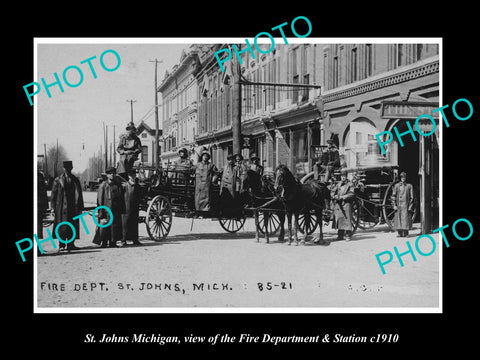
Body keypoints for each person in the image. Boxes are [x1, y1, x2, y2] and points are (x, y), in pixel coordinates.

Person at [51, 160, 84, 251]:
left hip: (73, 207)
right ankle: (61, 245)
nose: (67, 170)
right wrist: (53, 208)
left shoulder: (75, 180)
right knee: (62, 226)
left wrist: (80, 207)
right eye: (66, 168)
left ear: (71, 168)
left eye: (69, 168)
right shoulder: (58, 180)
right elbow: (53, 195)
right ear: (63, 168)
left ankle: (71, 244)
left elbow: (79, 194)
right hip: (61, 207)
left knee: (72, 225)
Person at [93, 166, 125, 248]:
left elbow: (121, 198)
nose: (112, 175)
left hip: (115, 209)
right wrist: (100, 211)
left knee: (114, 226)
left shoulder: (118, 185)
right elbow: (100, 199)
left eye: (114, 173)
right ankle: (104, 242)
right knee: (105, 226)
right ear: (107, 175)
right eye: (110, 173)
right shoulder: (103, 185)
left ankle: (113, 242)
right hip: (106, 209)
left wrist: (122, 209)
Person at [331, 169, 355, 241]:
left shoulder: (350, 184)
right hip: (339, 204)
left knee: (347, 219)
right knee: (339, 219)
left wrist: (343, 197)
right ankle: (340, 235)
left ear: (346, 176)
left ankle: (348, 234)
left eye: (344, 176)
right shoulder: (338, 184)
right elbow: (333, 191)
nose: (343, 178)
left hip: (346, 203)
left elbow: (352, 193)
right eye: (342, 176)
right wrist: (334, 196)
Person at [120, 168, 141, 246]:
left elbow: (139, 197)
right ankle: (123, 240)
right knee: (125, 224)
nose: (133, 176)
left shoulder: (137, 186)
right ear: (129, 176)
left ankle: (135, 240)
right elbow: (121, 197)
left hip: (135, 208)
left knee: (135, 223)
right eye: (131, 175)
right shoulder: (124, 186)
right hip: (126, 208)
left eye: (134, 175)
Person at [391, 171, 415, 237]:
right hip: (399, 205)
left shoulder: (409, 186)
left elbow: (412, 197)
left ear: (406, 178)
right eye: (402, 177)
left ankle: (406, 233)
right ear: (400, 178)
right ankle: (399, 233)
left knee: (406, 219)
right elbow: (393, 196)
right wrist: (394, 205)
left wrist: (410, 206)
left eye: (404, 177)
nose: (403, 178)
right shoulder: (396, 186)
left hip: (406, 205)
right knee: (399, 218)